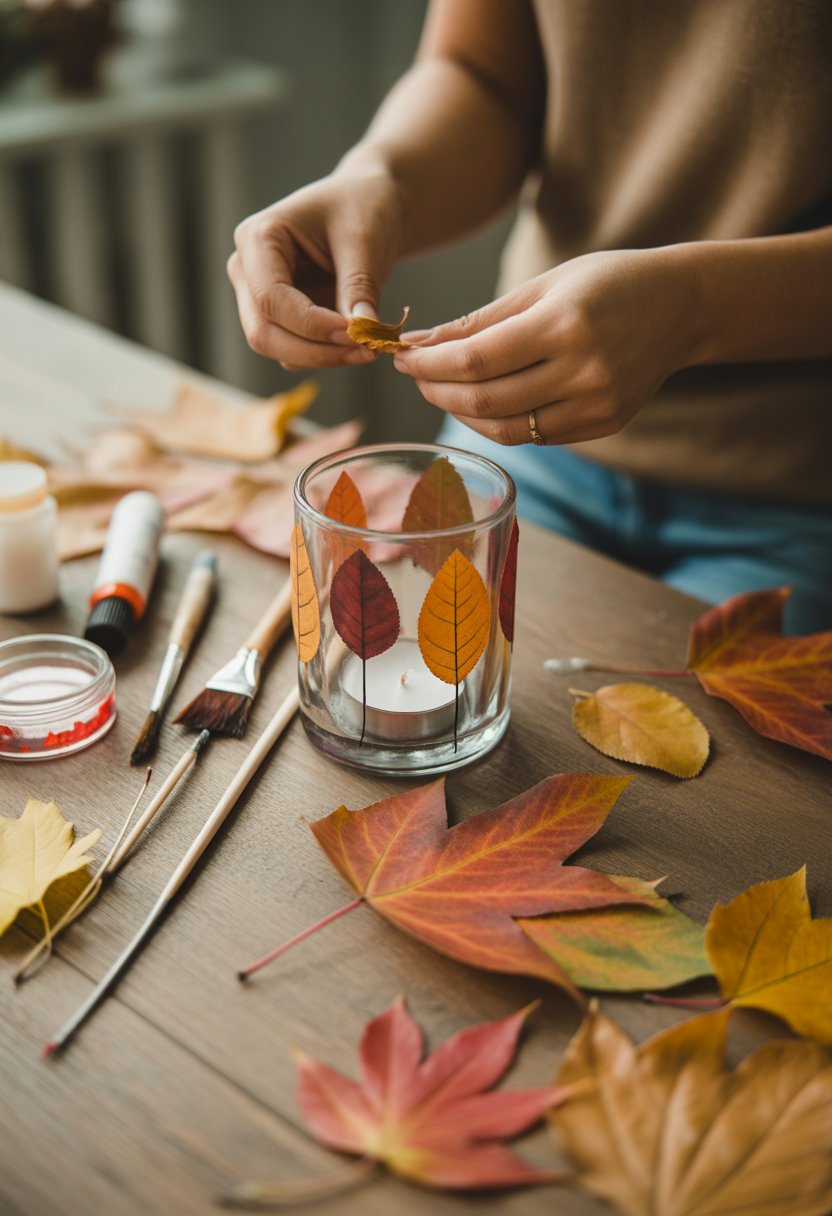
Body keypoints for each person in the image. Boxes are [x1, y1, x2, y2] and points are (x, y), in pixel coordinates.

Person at [228, 0, 832, 634]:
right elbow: (482, 74)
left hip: (799, 495)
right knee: (409, 666)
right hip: (520, 442)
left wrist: (697, 308)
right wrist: (382, 177)